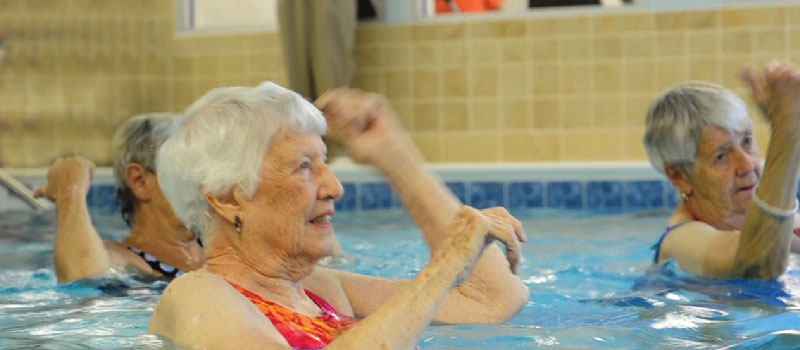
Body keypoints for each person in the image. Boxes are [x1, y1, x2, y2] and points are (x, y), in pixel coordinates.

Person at [148, 83, 529, 349]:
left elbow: (492, 302)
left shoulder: (322, 290)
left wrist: (392, 155)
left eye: (324, 163)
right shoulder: (196, 294)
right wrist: (444, 266)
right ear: (227, 198)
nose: (334, 187)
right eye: (303, 167)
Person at [645, 61, 800, 279]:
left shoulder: (755, 221)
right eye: (721, 156)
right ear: (679, 176)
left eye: (747, 141)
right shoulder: (681, 242)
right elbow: (757, 265)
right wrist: (787, 131)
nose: (747, 165)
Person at [34, 114, 203, 282]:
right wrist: (71, 192)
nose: (206, 186)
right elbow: (81, 279)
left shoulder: (217, 249)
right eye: (190, 172)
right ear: (140, 181)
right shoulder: (121, 262)